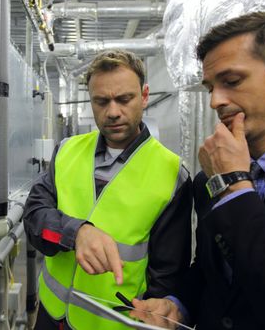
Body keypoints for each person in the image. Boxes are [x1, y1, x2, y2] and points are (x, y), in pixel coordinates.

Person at [130, 11, 265, 329]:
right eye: (210, 86)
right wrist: (178, 304)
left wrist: (236, 187)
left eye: (231, 81)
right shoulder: (208, 180)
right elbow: (212, 270)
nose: (215, 101)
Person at [23, 49, 193, 330]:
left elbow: (167, 279)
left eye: (125, 99)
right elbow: (34, 219)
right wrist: (76, 232)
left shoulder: (172, 174)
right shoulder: (67, 151)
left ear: (145, 95)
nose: (113, 112)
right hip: (51, 317)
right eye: (101, 101)